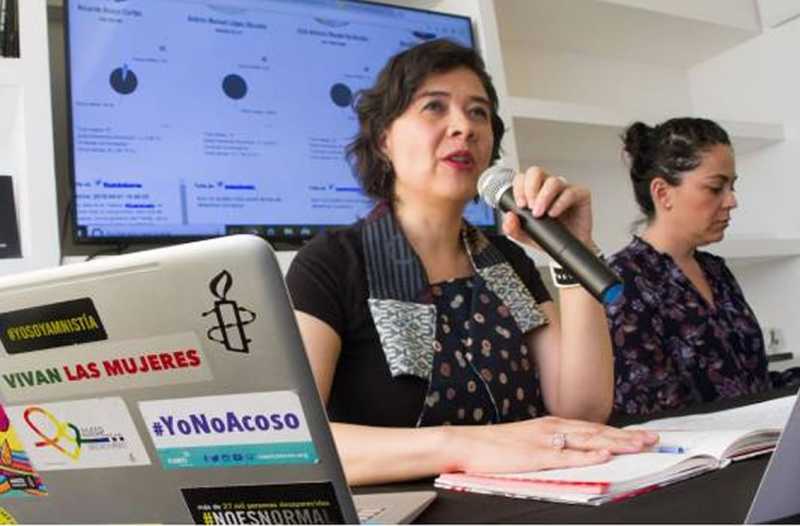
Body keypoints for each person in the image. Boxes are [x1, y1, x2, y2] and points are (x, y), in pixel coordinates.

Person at [286, 39, 656, 486]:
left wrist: (574, 251)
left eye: (478, 112)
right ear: (384, 139)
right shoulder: (331, 263)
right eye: (434, 107)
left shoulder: (508, 260)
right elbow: (293, 441)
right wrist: (465, 446)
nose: (464, 127)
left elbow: (581, 411)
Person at [609, 117, 800, 416]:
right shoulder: (622, 281)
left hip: (757, 437)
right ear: (662, 193)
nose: (732, 201)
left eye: (732, 186)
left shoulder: (715, 271)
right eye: (715, 188)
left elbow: (753, 385)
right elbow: (650, 411)